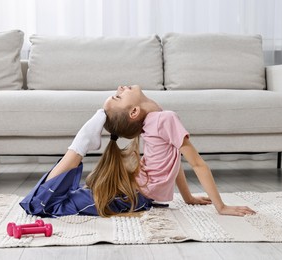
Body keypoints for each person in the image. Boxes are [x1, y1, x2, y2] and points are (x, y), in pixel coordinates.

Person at [20, 85, 255, 218]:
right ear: (133, 112)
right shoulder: (165, 119)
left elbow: (173, 162)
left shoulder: (157, 121)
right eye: (118, 95)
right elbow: (198, 164)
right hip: (129, 196)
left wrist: (188, 197)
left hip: (130, 193)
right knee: (39, 206)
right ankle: (80, 145)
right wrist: (221, 207)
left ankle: (79, 145)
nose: (121, 87)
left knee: (46, 204)